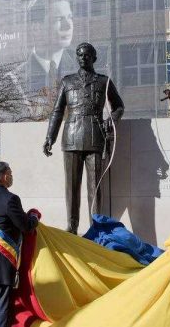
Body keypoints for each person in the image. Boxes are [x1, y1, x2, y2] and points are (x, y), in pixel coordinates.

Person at [43, 42, 124, 235]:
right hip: (71, 137)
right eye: (79, 55)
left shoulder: (104, 81)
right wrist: (49, 137)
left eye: (87, 55)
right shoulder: (67, 81)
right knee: (71, 187)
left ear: (94, 58)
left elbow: (119, 106)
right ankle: (72, 227)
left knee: (95, 188)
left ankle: (96, 227)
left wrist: (111, 119)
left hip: (95, 137)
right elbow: (57, 111)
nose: (83, 58)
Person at [0, 162, 39, 327]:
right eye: (10, 173)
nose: (12, 176)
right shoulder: (10, 199)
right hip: (3, 259)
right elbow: (25, 226)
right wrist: (34, 216)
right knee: (3, 304)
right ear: (5, 176)